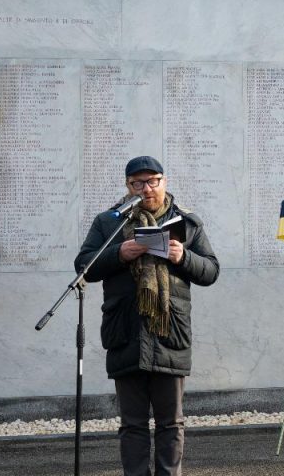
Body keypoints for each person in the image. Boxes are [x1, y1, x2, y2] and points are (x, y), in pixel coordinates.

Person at [75, 156, 219, 476]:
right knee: (133, 424)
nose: (146, 188)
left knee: (171, 424)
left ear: (164, 181)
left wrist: (184, 257)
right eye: (138, 183)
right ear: (128, 186)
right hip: (125, 332)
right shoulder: (109, 223)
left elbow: (211, 271)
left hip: (170, 332)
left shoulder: (187, 222)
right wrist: (118, 253)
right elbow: (84, 265)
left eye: (153, 181)